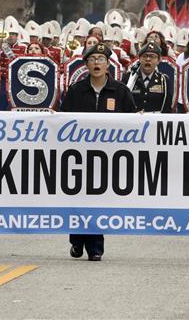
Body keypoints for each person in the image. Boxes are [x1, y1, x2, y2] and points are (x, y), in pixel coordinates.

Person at [59, 42, 136, 261]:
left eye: (101, 60)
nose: (96, 63)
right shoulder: (76, 91)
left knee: (98, 201)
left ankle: (95, 247)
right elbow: (63, 120)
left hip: (107, 157)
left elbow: (132, 122)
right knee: (78, 200)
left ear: (108, 64)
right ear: (86, 64)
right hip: (79, 156)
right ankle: (77, 240)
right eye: (92, 60)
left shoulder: (120, 91)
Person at [122, 42, 172, 113]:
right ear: (139, 58)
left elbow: (167, 108)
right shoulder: (129, 78)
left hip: (155, 121)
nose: (148, 59)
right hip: (133, 121)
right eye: (145, 56)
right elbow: (121, 103)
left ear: (158, 60)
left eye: (152, 56)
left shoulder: (163, 80)